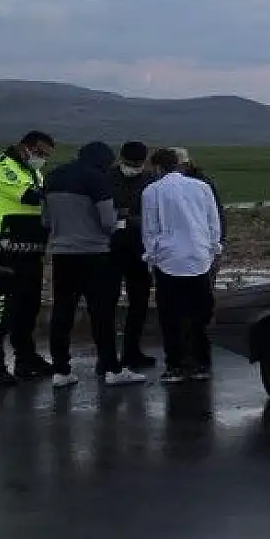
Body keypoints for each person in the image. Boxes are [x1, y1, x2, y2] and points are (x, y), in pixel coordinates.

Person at [41, 141, 146, 388]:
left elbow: (45, 220)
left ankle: (61, 370)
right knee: (102, 313)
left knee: (62, 310)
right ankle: (111, 368)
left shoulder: (53, 176)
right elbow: (108, 223)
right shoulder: (98, 180)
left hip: (62, 253)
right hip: (96, 254)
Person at [141, 147, 222, 385]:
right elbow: (213, 221)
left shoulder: (152, 192)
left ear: (157, 168)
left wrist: (153, 256)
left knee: (171, 316)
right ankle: (201, 362)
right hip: (199, 257)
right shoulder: (202, 187)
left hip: (169, 262)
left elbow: (150, 229)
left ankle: (175, 364)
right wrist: (213, 248)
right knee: (199, 314)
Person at [0, 130, 56, 382]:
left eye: (46, 156)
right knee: (2, 312)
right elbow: (29, 196)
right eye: (40, 153)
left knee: (28, 308)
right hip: (5, 251)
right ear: (26, 148)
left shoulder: (34, 171)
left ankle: (26, 359)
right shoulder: (4, 167)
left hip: (31, 251)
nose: (42, 158)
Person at [173, 148, 225, 373]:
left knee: (193, 305)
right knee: (197, 304)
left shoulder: (199, 186)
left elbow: (214, 217)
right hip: (199, 252)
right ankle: (197, 352)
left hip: (197, 253)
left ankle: (195, 352)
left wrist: (216, 247)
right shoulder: (201, 183)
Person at [110, 141, 159, 370]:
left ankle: (132, 351)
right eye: (130, 163)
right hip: (110, 250)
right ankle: (108, 356)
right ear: (121, 159)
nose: (134, 167)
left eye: (138, 164)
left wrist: (130, 217)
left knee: (138, 303)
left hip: (140, 250)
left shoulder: (150, 180)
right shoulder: (107, 178)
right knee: (107, 303)